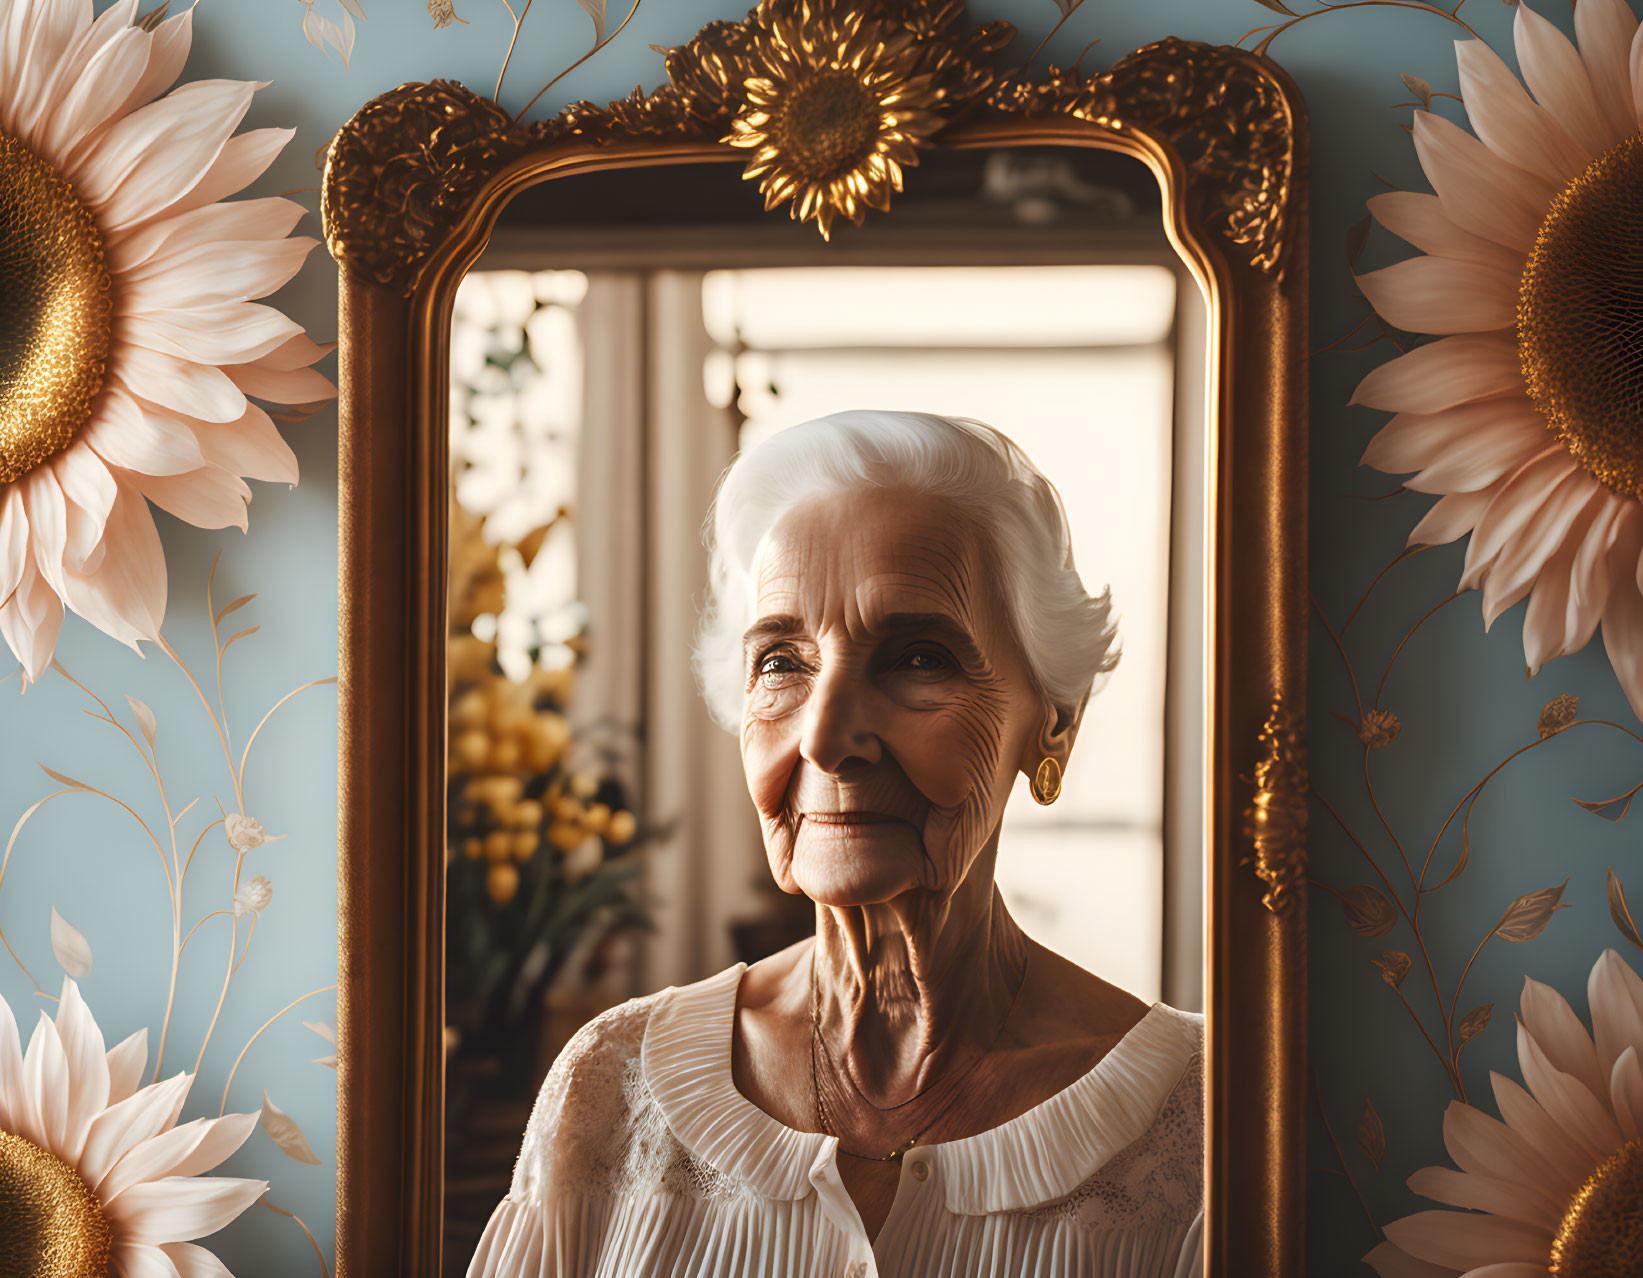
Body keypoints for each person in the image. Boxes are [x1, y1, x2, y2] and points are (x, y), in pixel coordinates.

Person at [469, 410, 1204, 1278]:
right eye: (781, 661)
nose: (823, 737)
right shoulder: (612, 1084)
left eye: (919, 657)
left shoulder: (1207, 1123)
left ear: (1051, 725)